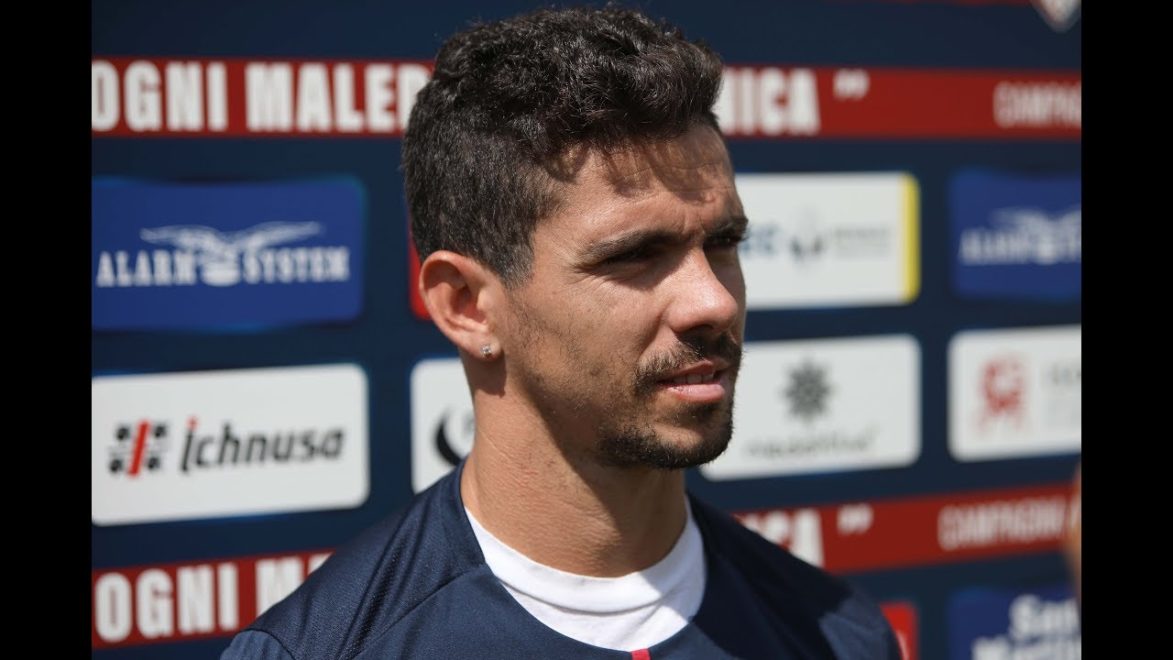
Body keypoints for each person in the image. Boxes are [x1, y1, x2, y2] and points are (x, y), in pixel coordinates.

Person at [221, 6, 901, 658]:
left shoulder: (839, 636)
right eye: (634, 255)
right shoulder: (323, 650)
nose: (713, 302)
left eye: (723, 243)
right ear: (467, 306)